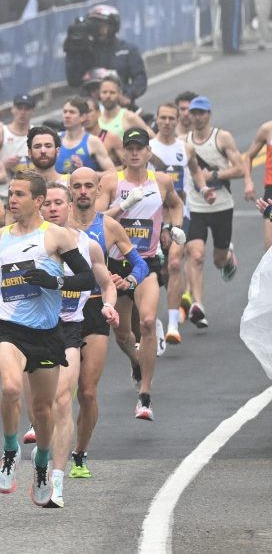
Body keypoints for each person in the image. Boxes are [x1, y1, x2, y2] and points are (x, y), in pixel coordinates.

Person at [0, 171, 97, 507]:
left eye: (19, 194)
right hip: (8, 329)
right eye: (10, 194)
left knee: (43, 410)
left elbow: (87, 279)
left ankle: (42, 462)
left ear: (37, 201)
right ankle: (9, 451)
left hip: (47, 334)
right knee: (12, 388)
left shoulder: (57, 238)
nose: (12, 200)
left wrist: (54, 282)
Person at [98, 128, 185, 420]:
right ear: (123, 152)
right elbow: (96, 220)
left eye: (140, 148)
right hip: (115, 265)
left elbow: (176, 204)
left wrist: (173, 228)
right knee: (122, 333)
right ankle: (136, 363)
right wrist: (124, 205)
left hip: (146, 263)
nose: (134, 153)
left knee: (147, 322)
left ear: (149, 152)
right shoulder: (111, 181)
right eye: (129, 148)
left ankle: (144, 394)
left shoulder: (161, 181)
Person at [41, 182, 118, 507]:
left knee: (64, 399)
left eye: (60, 202)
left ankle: (57, 480)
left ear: (70, 206)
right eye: (49, 203)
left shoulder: (88, 245)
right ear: (40, 207)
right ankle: (30, 448)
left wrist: (108, 304)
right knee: (36, 404)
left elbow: (105, 283)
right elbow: (1, 281)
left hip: (70, 328)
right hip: (32, 330)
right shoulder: (27, 243)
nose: (54, 208)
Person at [183, 96, 247, 326]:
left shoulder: (222, 138)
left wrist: (215, 176)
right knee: (196, 254)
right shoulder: (184, 141)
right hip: (196, 208)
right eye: (194, 113)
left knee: (218, 261)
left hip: (222, 206)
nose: (198, 117)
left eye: (202, 113)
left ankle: (227, 256)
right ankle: (198, 304)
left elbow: (240, 168)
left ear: (209, 114)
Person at [149, 104, 194, 343]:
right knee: (161, 272)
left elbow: (195, 172)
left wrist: (205, 188)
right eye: (162, 117)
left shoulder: (185, 148)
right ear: (156, 119)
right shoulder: (147, 149)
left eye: (171, 118)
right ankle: (174, 302)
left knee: (175, 263)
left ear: (177, 120)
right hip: (154, 218)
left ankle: (173, 326)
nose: (166, 122)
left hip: (179, 214)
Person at [65, 5, 148, 103]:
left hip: (120, 104)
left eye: (102, 25)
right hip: (91, 106)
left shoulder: (127, 50)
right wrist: (73, 51)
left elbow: (140, 78)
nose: (98, 28)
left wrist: (128, 95)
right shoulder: (84, 51)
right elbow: (73, 81)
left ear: (112, 27)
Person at [56, 97, 115, 174]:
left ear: (83, 117)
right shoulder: (55, 139)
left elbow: (112, 172)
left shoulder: (93, 141)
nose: (67, 115)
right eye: (65, 112)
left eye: (72, 112)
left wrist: (85, 172)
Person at [242, 116, 272, 249]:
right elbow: (248, 156)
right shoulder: (267, 129)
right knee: (270, 253)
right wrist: (248, 181)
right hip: (271, 194)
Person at [0, 95, 36, 194]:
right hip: (5, 191)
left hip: (30, 192)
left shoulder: (37, 134)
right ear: (12, 109)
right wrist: (3, 164)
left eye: (27, 109)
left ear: (33, 111)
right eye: (19, 108)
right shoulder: (1, 132)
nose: (23, 112)